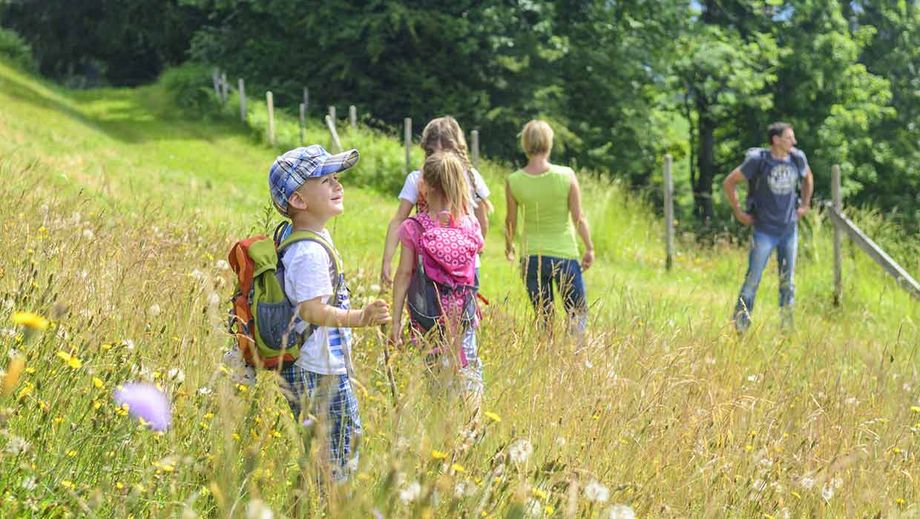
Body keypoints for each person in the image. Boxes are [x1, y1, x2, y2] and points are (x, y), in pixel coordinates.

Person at [267, 145, 391, 480]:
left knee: (327, 452)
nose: (338, 186)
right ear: (298, 200)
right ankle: (333, 505)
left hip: (317, 364)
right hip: (316, 369)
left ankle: (319, 503)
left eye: (337, 178)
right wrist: (359, 318)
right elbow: (310, 310)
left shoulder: (309, 236)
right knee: (339, 453)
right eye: (326, 180)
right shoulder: (307, 250)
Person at [390, 152, 485, 405]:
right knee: (469, 372)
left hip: (427, 319)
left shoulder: (414, 228)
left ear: (426, 186)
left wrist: (396, 320)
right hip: (463, 317)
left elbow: (403, 275)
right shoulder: (470, 225)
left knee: (436, 382)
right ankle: (472, 428)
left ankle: (442, 429)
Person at [505, 120, 594, 337]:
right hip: (564, 255)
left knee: (543, 317)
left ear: (525, 144)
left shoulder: (514, 180)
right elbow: (578, 217)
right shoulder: (566, 175)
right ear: (549, 143)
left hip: (532, 257)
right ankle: (577, 359)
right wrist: (589, 247)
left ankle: (546, 360)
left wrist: (510, 246)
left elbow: (511, 221)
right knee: (577, 313)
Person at [380, 116, 491, 288]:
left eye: (445, 151)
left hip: (462, 268)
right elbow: (399, 220)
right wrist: (387, 259)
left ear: (457, 150)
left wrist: (474, 253)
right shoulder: (417, 179)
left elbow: (482, 222)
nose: (439, 157)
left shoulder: (471, 178)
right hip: (428, 265)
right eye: (433, 152)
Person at [723, 122, 814, 333]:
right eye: (789, 138)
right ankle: (740, 326)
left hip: (788, 230)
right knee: (753, 279)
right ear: (776, 140)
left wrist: (804, 204)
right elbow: (730, 182)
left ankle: (787, 329)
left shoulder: (796, 157)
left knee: (787, 282)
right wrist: (738, 211)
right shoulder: (758, 161)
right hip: (764, 230)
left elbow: (808, 177)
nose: (794, 142)